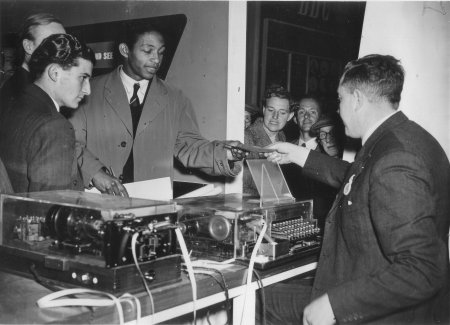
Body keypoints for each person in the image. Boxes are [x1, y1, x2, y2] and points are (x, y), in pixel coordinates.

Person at [265, 54, 450, 324]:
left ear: (358, 99)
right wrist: (297, 154)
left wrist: (335, 305)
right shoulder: (408, 139)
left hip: (382, 312)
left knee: (259, 301)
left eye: (340, 99)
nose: (338, 110)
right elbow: (360, 178)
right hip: (389, 297)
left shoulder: (394, 159)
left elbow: (423, 269)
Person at [69, 23, 243, 197]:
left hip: (152, 201)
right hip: (98, 198)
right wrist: (96, 173)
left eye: (160, 52)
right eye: (147, 51)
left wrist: (225, 153)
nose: (156, 59)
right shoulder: (88, 91)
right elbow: (71, 142)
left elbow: (189, 147)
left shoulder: (175, 98)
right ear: (124, 50)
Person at [0, 33, 95, 193]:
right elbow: (51, 207)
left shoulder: (11, 104)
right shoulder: (55, 126)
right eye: (83, 78)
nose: (88, 90)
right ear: (55, 73)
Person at [0, 13, 65, 115]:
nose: (61, 51)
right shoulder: (23, 93)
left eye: (63, 44)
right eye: (50, 44)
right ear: (28, 46)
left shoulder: (34, 85)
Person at [243, 85, 293, 195]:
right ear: (264, 110)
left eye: (282, 112)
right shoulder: (246, 137)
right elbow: (241, 185)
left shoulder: (282, 138)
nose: (275, 116)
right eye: (271, 110)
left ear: (290, 116)